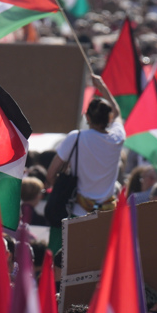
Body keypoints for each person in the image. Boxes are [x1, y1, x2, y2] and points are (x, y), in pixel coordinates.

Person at [46, 75, 124, 218]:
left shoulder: (76, 138)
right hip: (108, 215)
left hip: (78, 212)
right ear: (109, 118)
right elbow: (117, 112)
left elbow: (51, 174)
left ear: (87, 118)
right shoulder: (117, 138)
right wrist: (102, 88)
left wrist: (63, 190)